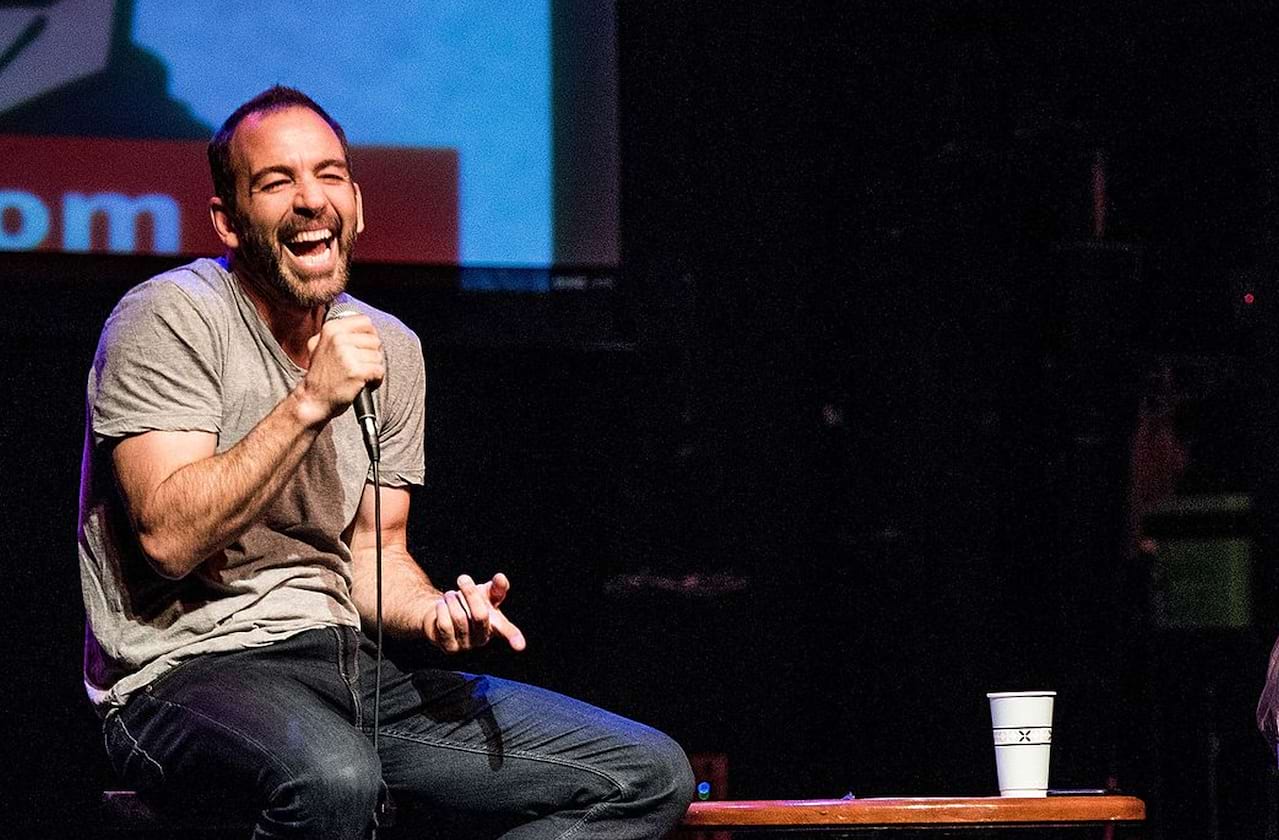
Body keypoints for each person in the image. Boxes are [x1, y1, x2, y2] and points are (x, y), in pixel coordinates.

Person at [78, 85, 694, 839]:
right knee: (336, 780)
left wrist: (433, 613)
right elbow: (168, 541)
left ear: (358, 206)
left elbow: (373, 551)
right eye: (276, 182)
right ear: (227, 221)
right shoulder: (170, 316)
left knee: (646, 774)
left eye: (328, 175)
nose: (310, 200)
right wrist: (309, 402)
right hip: (186, 676)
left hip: (347, 671)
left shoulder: (388, 345)